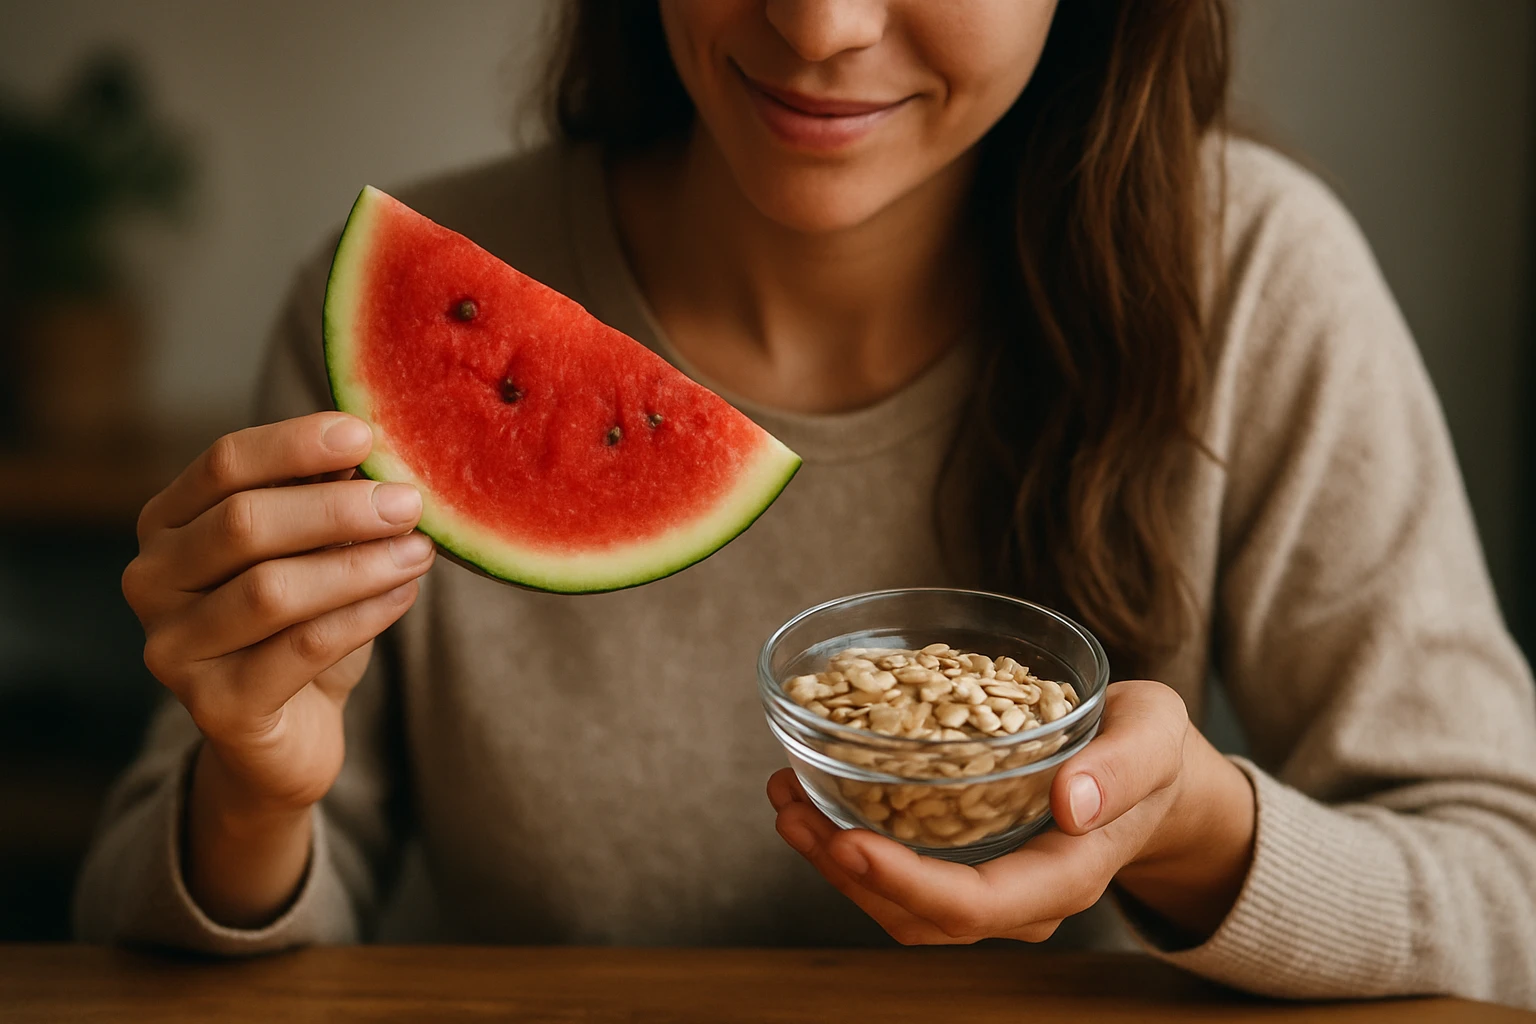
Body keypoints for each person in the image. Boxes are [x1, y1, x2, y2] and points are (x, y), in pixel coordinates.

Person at [77, 0, 1536, 1007]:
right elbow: (144, 937)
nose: (824, 24)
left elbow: (1508, 891)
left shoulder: (1257, 279)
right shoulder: (387, 308)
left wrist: (1191, 827)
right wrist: (260, 786)